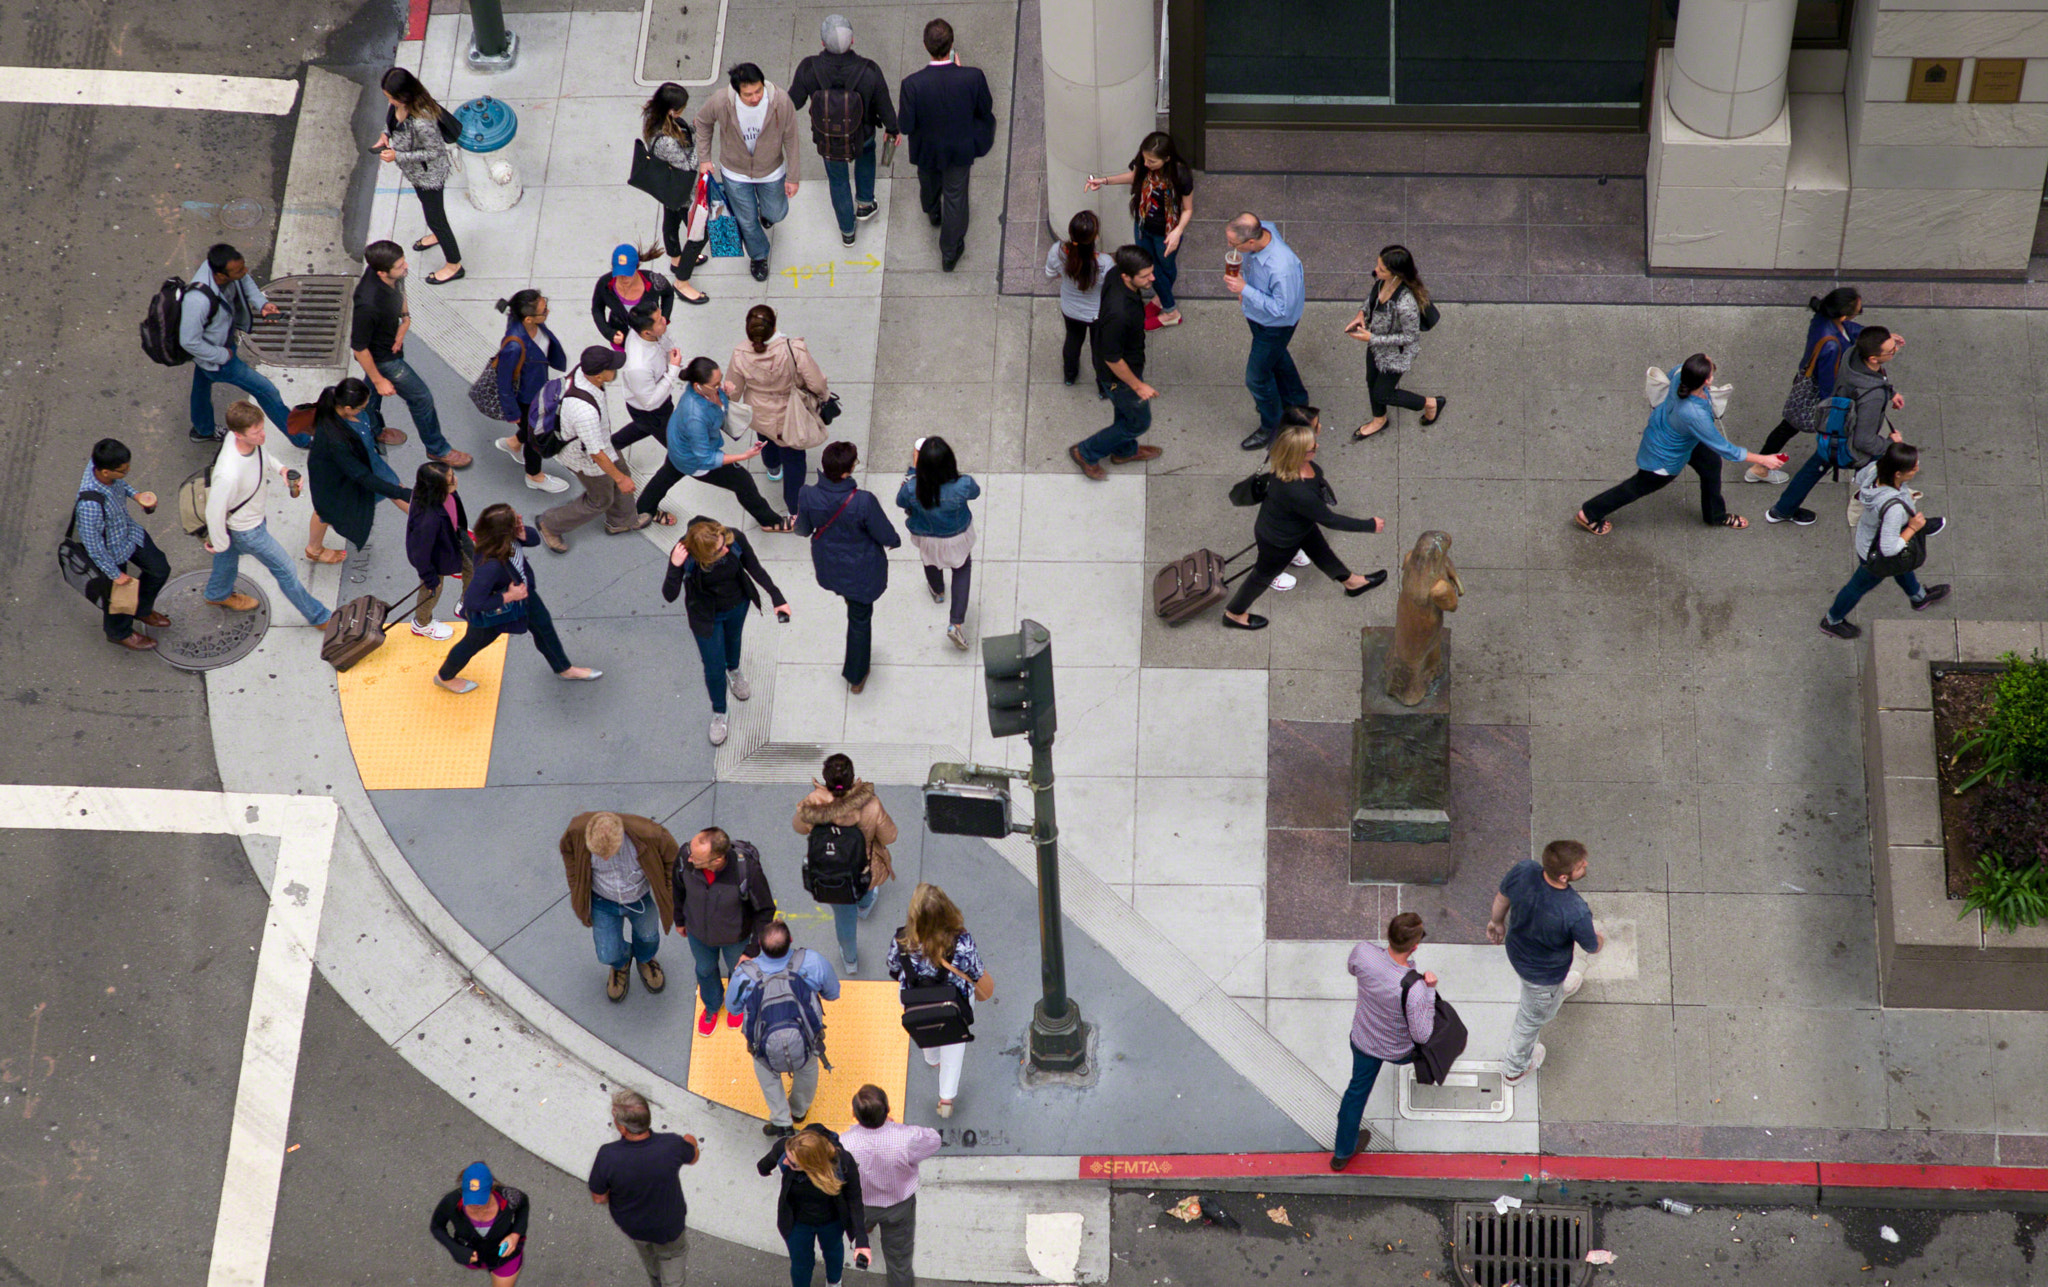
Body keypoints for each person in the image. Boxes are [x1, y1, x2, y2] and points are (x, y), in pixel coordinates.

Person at [1574, 354, 1788, 535]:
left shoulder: (1679, 375)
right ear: (1707, 381)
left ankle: (1715, 515)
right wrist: (1764, 459)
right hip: (1665, 457)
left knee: (1711, 466)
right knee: (1637, 487)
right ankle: (1589, 513)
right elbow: (1726, 449)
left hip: (1677, 437)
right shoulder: (1693, 414)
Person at [1221, 412, 1386, 631]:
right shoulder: (1296, 490)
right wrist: (1370, 525)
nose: (1316, 447)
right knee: (1261, 577)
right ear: (1298, 454)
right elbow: (1331, 520)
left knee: (1321, 551)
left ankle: (1352, 582)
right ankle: (1233, 613)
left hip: (1297, 524)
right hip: (1279, 541)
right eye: (1311, 447)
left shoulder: (1288, 464)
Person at [434, 503, 601, 694]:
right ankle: (444, 677)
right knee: (472, 644)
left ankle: (564, 669)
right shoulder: (491, 565)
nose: (520, 518)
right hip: (496, 611)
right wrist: (509, 596)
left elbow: (534, 539)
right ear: (504, 532)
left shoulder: (503, 540)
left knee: (544, 629)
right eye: (515, 519)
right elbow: (473, 601)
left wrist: (521, 534)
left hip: (525, 597)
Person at [663, 517, 791, 746]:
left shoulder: (733, 539)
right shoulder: (685, 555)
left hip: (737, 605)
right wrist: (674, 565)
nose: (725, 549)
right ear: (703, 556)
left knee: (734, 641)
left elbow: (755, 568)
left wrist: (777, 596)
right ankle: (720, 713)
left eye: (724, 544)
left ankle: (733, 671)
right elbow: (669, 595)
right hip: (705, 617)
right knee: (713, 667)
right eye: (718, 550)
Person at [203, 401, 332, 626]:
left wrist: (282, 469)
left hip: (243, 524)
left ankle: (217, 594)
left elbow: (263, 455)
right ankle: (319, 617)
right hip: (248, 531)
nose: (263, 436)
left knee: (227, 558)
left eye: (262, 428)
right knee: (287, 571)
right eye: (256, 432)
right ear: (238, 434)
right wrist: (219, 542)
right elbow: (214, 510)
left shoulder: (242, 441)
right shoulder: (228, 473)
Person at [1767, 326, 1907, 529]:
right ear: (1873, 359)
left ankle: (1783, 509)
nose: (1896, 350)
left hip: (1836, 424)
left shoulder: (1851, 355)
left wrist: (1890, 391)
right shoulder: (1873, 396)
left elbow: (1875, 374)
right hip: (1852, 440)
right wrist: (1888, 443)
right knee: (1892, 469)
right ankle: (1898, 521)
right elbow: (1864, 441)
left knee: (1816, 465)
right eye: (1891, 349)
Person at [1486, 840, 1601, 1085]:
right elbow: (1591, 946)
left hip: (1517, 951)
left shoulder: (1524, 870)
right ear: (1563, 877)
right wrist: (1599, 939)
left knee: (1543, 999)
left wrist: (1496, 923)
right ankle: (1515, 1068)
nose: (1586, 866)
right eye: (1580, 866)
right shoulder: (1574, 910)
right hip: (1542, 976)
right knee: (1529, 1021)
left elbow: (1502, 897)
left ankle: (1557, 992)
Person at [1330, 913, 1436, 1171]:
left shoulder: (1362, 953)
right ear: (1414, 946)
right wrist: (1430, 990)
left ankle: (1341, 1154)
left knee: (1356, 1092)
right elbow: (1423, 1035)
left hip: (1363, 1039)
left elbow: (1351, 968)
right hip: (1398, 1050)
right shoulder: (1416, 988)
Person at [352, 240, 471, 468]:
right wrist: (379, 380)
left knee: (370, 395)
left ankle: (373, 429)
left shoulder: (393, 273)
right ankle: (437, 449)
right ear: (381, 272)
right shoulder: (367, 303)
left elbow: (400, 286)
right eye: (399, 266)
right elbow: (359, 348)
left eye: (403, 260)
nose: (406, 266)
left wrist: (405, 319)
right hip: (385, 358)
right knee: (421, 398)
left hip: (391, 345)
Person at [636, 357, 788, 531]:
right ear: (697, 385)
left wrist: (725, 392)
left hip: (680, 446)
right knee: (743, 481)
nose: (719, 386)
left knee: (667, 474)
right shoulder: (695, 416)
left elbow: (717, 407)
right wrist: (743, 455)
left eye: (720, 380)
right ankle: (770, 522)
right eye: (715, 385)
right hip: (694, 457)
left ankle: (644, 508)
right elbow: (706, 457)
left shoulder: (702, 391)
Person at [796, 442, 901, 694]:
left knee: (852, 604)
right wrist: (894, 541)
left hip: (830, 567)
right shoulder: (863, 501)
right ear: (846, 473)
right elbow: (885, 534)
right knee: (859, 621)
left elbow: (802, 529)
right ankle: (856, 675)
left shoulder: (807, 494)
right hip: (861, 574)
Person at [1818, 441, 1951, 639]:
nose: (1917, 469)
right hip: (1874, 554)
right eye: (1912, 467)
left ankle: (1919, 598)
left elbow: (1860, 475)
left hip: (1868, 537)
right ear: (1897, 474)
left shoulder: (1875, 468)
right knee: (1857, 587)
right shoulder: (1893, 509)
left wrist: (1897, 448)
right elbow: (1889, 549)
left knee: (1902, 567)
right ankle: (1832, 620)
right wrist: (1913, 528)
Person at [789, 16, 900, 247]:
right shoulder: (869, 70)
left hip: (828, 140)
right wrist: (892, 129)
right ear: (852, 40)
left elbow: (794, 102)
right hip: (863, 134)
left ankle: (847, 230)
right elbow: (884, 105)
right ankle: (865, 203)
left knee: (838, 180)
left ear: (822, 43)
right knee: (866, 158)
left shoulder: (809, 68)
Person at [896, 19, 996, 272]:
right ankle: (949, 253)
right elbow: (985, 109)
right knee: (955, 198)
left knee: (928, 183)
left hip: (927, 150)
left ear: (925, 46)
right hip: (959, 149)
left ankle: (932, 212)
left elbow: (906, 126)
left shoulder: (911, 85)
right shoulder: (972, 77)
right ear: (952, 45)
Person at [726, 919, 840, 1136]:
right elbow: (832, 993)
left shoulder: (744, 974)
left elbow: (733, 1008)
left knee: (768, 1075)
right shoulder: (812, 961)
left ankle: (781, 1121)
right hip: (805, 1038)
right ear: (791, 941)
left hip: (763, 1044)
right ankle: (798, 1110)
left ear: (759, 943)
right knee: (807, 1069)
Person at [887, 883, 989, 1119]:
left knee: (924, 1030)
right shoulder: (960, 941)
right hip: (953, 1002)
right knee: (953, 1048)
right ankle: (946, 1100)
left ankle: (932, 1058)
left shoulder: (901, 939)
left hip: (915, 1000)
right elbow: (975, 971)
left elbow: (893, 968)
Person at [694, 63, 803, 282]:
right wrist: (704, 159)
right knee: (747, 220)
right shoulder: (721, 101)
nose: (754, 98)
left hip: (771, 171)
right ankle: (759, 255)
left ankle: (766, 213)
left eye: (758, 91)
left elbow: (791, 139)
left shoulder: (780, 101)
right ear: (736, 91)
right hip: (735, 173)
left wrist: (793, 176)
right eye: (748, 94)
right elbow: (703, 122)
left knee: (777, 213)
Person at [794, 753, 900, 974]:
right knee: (868, 887)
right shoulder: (870, 803)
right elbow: (890, 836)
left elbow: (799, 827)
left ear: (825, 778)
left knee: (843, 920)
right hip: (864, 869)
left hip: (831, 875)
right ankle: (864, 906)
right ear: (853, 778)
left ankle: (850, 960)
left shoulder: (813, 803)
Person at [179, 242, 293, 444]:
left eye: (243, 266)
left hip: (219, 345)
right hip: (219, 357)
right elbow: (188, 342)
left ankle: (203, 429)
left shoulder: (221, 267)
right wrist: (222, 356)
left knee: (202, 384)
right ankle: (300, 436)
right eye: (239, 270)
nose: (245, 271)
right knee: (267, 391)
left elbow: (245, 281)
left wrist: (262, 304)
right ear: (221, 276)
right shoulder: (197, 301)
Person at [538, 346, 649, 552]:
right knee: (600, 499)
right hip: (586, 459)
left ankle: (622, 521)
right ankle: (550, 524)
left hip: (602, 443)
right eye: (612, 367)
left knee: (621, 470)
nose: (615, 370)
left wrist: (619, 476)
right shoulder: (584, 411)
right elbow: (596, 455)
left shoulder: (583, 371)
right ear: (599, 376)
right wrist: (620, 479)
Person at [1748, 287, 1862, 485]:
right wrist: (1833, 409)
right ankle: (1760, 467)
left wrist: (1877, 336)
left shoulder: (1822, 318)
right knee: (1791, 426)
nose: (1858, 315)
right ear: (1843, 316)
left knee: (1788, 426)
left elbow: (1849, 330)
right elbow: (1828, 383)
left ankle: (1761, 465)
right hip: (1815, 392)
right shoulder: (1832, 346)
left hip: (1808, 381)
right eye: (1858, 312)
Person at [562, 811, 678, 1002]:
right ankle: (621, 963)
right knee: (607, 952)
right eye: (600, 855)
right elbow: (569, 855)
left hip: (639, 897)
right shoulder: (576, 831)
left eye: (611, 853)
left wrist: (668, 892)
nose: (605, 859)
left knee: (649, 937)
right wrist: (576, 886)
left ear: (622, 836)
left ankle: (645, 958)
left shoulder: (651, 834)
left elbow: (672, 862)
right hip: (602, 900)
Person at [588, 1088, 699, 1287]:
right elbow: (692, 1157)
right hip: (669, 1227)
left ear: (623, 1128)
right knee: (673, 1259)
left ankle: (655, 1281)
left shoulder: (608, 1156)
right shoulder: (671, 1145)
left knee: (650, 1260)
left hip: (635, 1227)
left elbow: (599, 1197)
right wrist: (691, 1141)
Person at [672, 826, 779, 1032]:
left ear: (717, 861)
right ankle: (712, 1006)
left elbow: (765, 911)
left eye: (697, 859)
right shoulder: (686, 856)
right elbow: (678, 889)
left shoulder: (747, 871)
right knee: (704, 970)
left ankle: (736, 1005)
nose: (690, 860)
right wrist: (679, 919)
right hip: (698, 933)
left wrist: (753, 949)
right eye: (691, 854)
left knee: (738, 972)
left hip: (735, 938)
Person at [1069, 245, 1162, 480]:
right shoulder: (1119, 314)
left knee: (1125, 414)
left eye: (1151, 272)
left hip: (1126, 368)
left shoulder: (1116, 274)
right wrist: (1138, 386)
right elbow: (1112, 358)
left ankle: (1124, 451)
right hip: (1117, 378)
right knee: (1138, 423)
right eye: (1145, 276)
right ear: (1126, 276)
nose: (1152, 278)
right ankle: (1086, 451)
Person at [728, 304, 831, 515]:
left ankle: (773, 468)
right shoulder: (793, 349)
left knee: (766, 438)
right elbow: (816, 383)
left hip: (758, 411)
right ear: (774, 326)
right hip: (790, 414)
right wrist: (824, 396)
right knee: (794, 460)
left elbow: (733, 393)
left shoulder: (740, 353)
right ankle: (794, 506)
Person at [1085, 132, 1194, 327]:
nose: (1146, 164)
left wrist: (1177, 231)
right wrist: (1104, 181)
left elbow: (1188, 209)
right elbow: (1135, 176)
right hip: (1143, 225)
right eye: (1145, 159)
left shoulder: (1181, 174)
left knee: (1163, 268)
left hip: (1167, 231)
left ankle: (1170, 311)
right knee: (1151, 266)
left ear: (1167, 158)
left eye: (1152, 161)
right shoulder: (1144, 164)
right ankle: (1167, 303)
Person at [307, 378, 413, 578]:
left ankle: (434, 519)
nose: (364, 410)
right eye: (361, 407)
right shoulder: (335, 439)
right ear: (348, 408)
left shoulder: (334, 400)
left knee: (394, 487)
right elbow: (359, 475)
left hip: (367, 463)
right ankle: (314, 549)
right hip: (344, 478)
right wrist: (401, 492)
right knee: (325, 513)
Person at [837, 1086, 941, 1287]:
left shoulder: (844, 1143)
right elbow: (934, 1141)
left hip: (862, 1206)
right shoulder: (907, 1138)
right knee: (899, 1260)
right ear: (888, 1110)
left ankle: (865, 1229)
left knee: (863, 1223)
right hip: (899, 1206)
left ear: (854, 1115)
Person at [74, 439, 172, 652]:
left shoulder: (105, 470)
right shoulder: (89, 506)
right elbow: (94, 546)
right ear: (106, 472)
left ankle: (142, 609)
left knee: (159, 569)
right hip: (112, 553)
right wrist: (114, 574)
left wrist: (135, 495)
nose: (126, 473)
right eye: (123, 471)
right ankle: (119, 633)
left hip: (128, 531)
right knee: (119, 600)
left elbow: (121, 484)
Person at [1224, 214, 1306, 452]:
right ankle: (1297, 401)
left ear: (1251, 243)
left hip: (1274, 325)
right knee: (1277, 358)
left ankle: (1272, 426)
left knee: (1257, 378)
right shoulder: (1265, 230)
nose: (1231, 247)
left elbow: (1283, 310)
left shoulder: (1282, 267)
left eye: (1235, 244)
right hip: (1259, 317)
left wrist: (1245, 289)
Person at [376, 68, 464, 285]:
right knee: (431, 213)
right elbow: (392, 123)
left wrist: (399, 155)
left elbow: (434, 152)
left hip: (429, 177)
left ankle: (454, 265)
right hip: (416, 173)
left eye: (390, 97)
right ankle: (436, 235)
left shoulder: (422, 120)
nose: (388, 100)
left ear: (403, 96)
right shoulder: (401, 105)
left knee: (437, 219)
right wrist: (385, 135)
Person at [1346, 246, 1443, 441]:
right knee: (1371, 382)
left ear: (1396, 273)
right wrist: (1361, 314)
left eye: (1382, 269)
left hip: (1396, 354)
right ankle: (1379, 420)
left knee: (1382, 394)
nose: (1376, 271)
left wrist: (1372, 338)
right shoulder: (1384, 281)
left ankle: (1431, 403)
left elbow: (1410, 338)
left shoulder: (1405, 303)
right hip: (1376, 344)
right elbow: (1372, 300)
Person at [757, 1125, 872, 1287]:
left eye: (793, 1164)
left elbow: (854, 1199)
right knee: (800, 1263)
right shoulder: (786, 1148)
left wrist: (861, 1240)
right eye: (787, 1157)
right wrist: (764, 1167)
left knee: (833, 1253)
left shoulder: (843, 1163)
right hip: (796, 1223)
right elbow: (766, 1163)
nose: (785, 1162)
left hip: (831, 1222)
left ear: (813, 1166)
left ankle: (834, 1282)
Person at [895, 436, 979, 650]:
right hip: (957, 536)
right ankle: (956, 622)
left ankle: (938, 591)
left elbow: (900, 501)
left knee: (930, 561)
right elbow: (975, 492)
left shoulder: (912, 488)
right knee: (962, 568)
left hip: (927, 536)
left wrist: (912, 471)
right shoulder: (963, 484)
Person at [490, 290, 571, 495]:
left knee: (529, 429)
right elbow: (504, 381)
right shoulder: (514, 346)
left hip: (536, 387)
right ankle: (534, 476)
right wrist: (512, 413)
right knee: (536, 437)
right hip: (526, 398)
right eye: (544, 310)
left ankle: (514, 443)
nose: (548, 311)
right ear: (528, 318)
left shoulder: (530, 324)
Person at [640, 82, 712, 303]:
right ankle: (682, 282)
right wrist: (699, 141)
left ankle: (676, 259)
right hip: (683, 192)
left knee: (671, 220)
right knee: (699, 234)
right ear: (671, 110)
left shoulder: (653, 120)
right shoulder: (667, 142)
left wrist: (688, 130)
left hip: (668, 187)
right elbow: (688, 166)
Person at [616, 303, 684, 490]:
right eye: (660, 320)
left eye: (661, 315)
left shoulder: (653, 333)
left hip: (656, 405)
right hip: (650, 410)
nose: (665, 320)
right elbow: (650, 402)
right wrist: (673, 370)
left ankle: (612, 444)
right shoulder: (638, 365)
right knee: (679, 449)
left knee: (643, 427)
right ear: (646, 333)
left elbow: (666, 342)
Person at [1043, 210, 1112, 392]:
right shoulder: (1104, 262)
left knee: (1072, 340)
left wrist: (1067, 273)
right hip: (1097, 314)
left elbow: (1049, 274)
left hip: (1070, 309)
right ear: (1095, 237)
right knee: (1099, 351)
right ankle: (1104, 388)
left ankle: (1069, 376)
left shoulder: (1057, 251)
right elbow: (1111, 287)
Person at [403, 459, 471, 641]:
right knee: (432, 591)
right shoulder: (427, 520)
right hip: (436, 557)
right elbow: (420, 553)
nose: (454, 479)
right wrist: (429, 577)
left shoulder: (441, 494)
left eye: (452, 474)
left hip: (453, 536)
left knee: (474, 566)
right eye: (450, 478)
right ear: (438, 487)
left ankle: (467, 602)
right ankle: (422, 623)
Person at [429, 1162, 528, 1284]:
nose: (474, 1205)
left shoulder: (509, 1197)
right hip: (471, 1256)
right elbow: (436, 1227)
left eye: (480, 1199)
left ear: (491, 1189)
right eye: (470, 1198)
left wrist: (515, 1234)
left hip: (505, 1257)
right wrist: (455, 1249)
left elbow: (523, 1204)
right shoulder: (451, 1202)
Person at [592, 244, 678, 351]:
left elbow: (668, 294)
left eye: (628, 273)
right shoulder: (604, 284)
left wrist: (665, 317)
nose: (623, 278)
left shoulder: (654, 281)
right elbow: (597, 310)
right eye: (619, 273)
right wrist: (609, 333)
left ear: (637, 267)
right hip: (621, 341)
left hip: (652, 338)